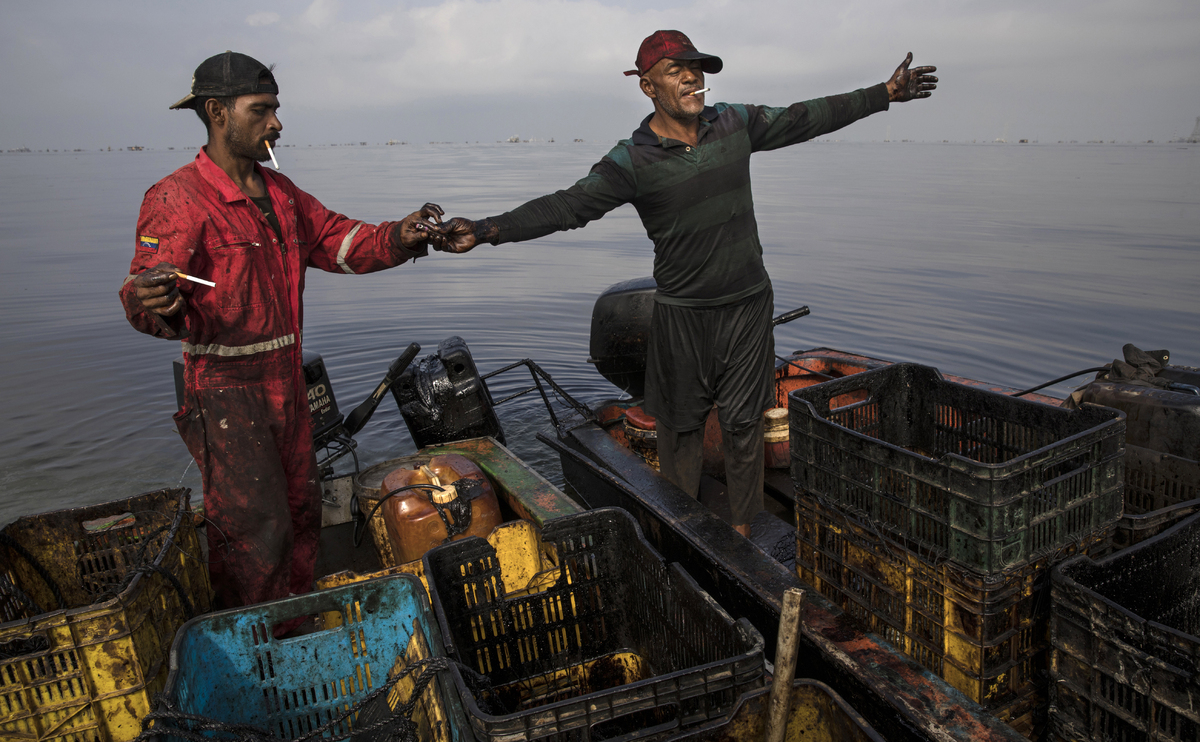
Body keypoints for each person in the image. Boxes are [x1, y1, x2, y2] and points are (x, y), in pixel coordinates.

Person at [431, 30, 937, 538]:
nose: (693, 77)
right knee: (680, 431)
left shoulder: (735, 122)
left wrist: (884, 94)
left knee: (743, 426)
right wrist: (485, 230)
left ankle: (741, 536)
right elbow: (566, 206)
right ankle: (681, 533)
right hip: (683, 316)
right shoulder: (631, 160)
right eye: (678, 70)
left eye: (697, 67)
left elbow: (808, 117)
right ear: (648, 88)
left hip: (748, 308)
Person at [119, 51, 442, 609]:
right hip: (225, 388)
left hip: (287, 380)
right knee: (252, 530)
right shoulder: (176, 199)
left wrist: (401, 235)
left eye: (276, 109)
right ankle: (256, 638)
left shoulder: (282, 193)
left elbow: (341, 242)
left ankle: (296, 621)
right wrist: (151, 298)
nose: (276, 123)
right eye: (262, 110)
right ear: (217, 112)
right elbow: (146, 293)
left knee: (300, 509)